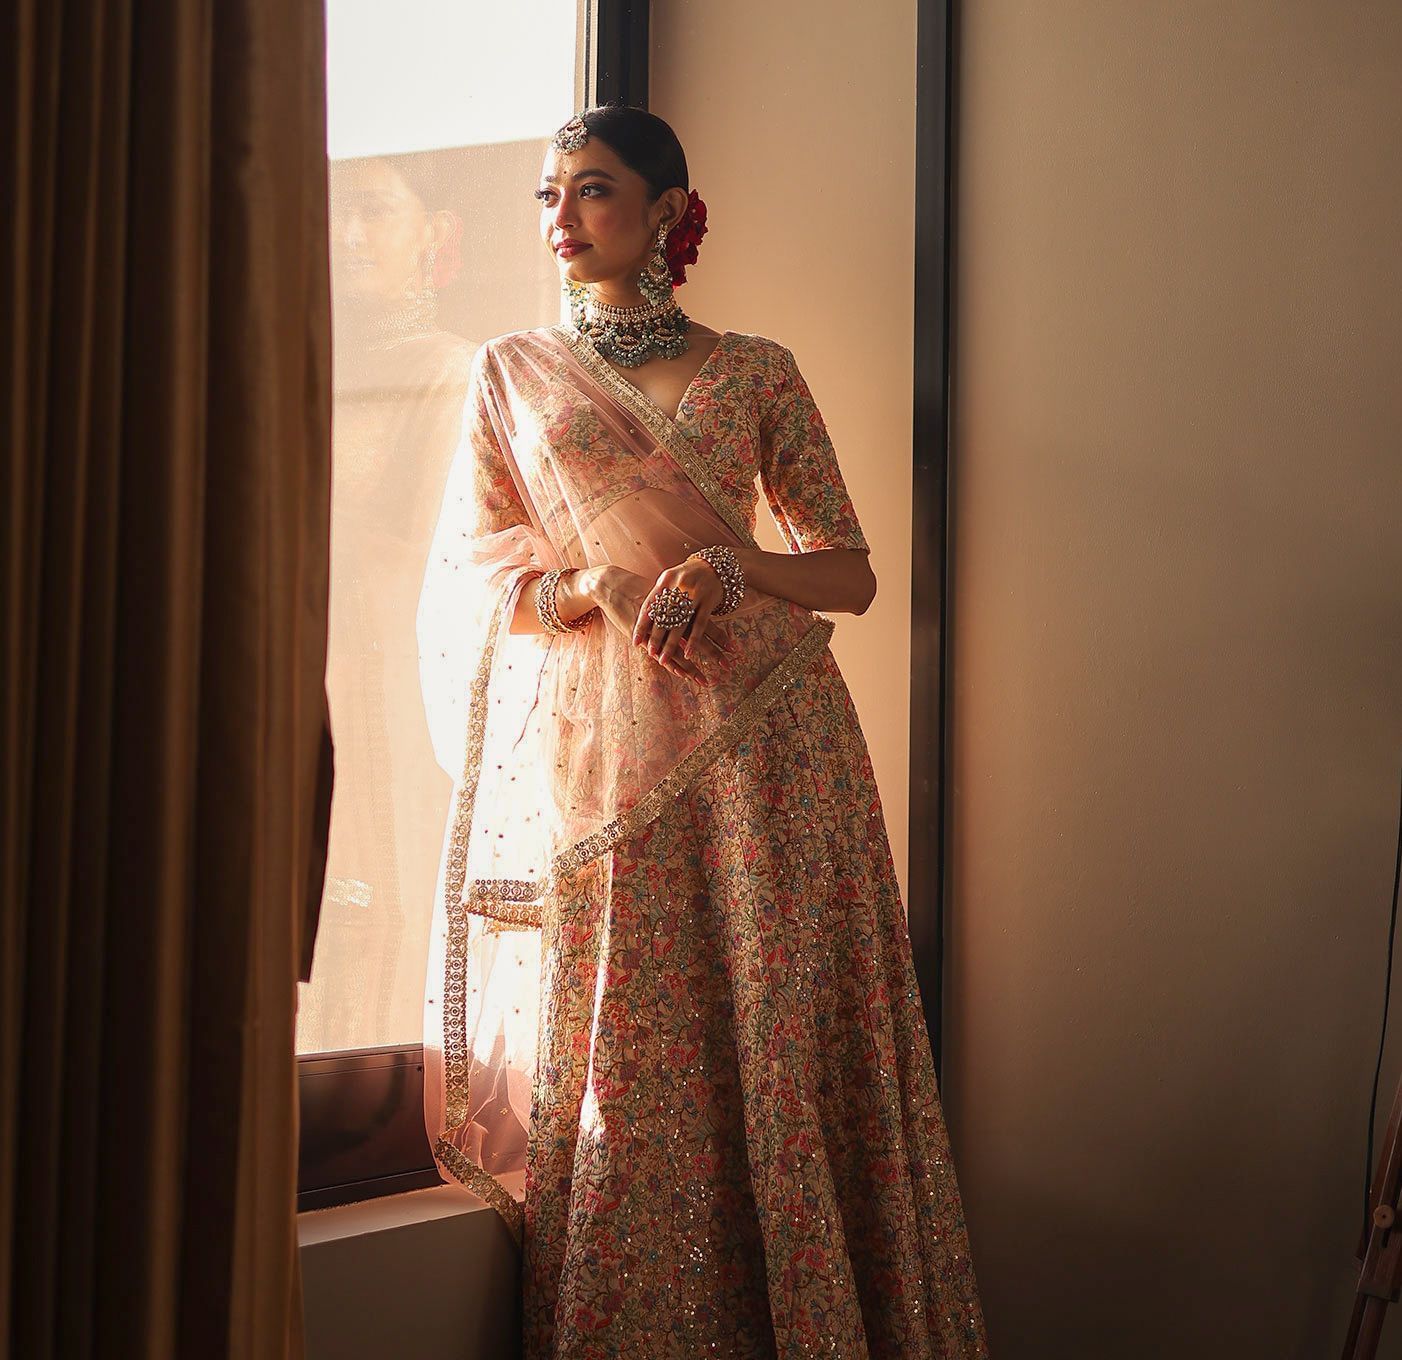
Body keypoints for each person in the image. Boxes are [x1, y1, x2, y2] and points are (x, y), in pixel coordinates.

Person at [417, 104, 990, 1359]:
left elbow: (847, 575)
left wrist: (734, 571)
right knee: (628, 1054)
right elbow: (478, 576)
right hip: (612, 760)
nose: (559, 218)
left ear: (669, 213)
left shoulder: (757, 371)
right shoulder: (511, 373)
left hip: (771, 754)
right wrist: (601, 586)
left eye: (592, 191)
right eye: (547, 196)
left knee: (778, 1040)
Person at [296, 153, 473, 1053]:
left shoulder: (449, 374)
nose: (348, 236)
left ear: (436, 240)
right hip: (297, 669)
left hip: (382, 693)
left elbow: (426, 554)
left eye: (373, 211)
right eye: (337, 214)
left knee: (372, 892)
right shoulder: (306, 367)